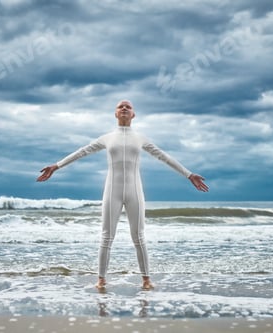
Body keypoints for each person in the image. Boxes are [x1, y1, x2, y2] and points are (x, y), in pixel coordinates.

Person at [37, 100, 209, 290]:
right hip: (113, 190)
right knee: (106, 236)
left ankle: (146, 280)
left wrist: (188, 174)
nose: (125, 108)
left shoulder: (141, 138)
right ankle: (101, 280)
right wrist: (57, 165)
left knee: (139, 236)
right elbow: (82, 152)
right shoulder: (107, 138)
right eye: (121, 107)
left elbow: (163, 157)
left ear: (133, 114)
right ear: (116, 114)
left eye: (128, 107)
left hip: (135, 191)